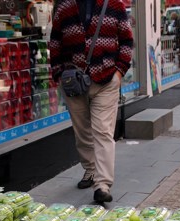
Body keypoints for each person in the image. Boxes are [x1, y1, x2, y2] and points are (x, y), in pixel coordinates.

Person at [49, 0, 133, 203]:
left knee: (103, 132)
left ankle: (102, 184)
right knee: (82, 133)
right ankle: (90, 170)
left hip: (106, 80)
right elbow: (55, 44)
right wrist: (59, 74)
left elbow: (127, 41)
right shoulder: (65, 7)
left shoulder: (115, 5)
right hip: (74, 82)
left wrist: (119, 72)